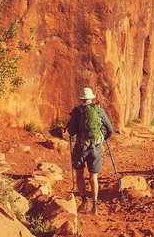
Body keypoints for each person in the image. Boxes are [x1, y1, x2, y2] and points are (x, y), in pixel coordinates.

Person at [67, 87, 114, 215]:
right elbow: (110, 130)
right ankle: (95, 207)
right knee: (93, 177)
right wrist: (102, 139)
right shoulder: (99, 110)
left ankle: (84, 202)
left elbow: (71, 132)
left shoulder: (77, 111)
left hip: (81, 149)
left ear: (82, 99)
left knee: (79, 174)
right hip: (95, 149)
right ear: (92, 98)